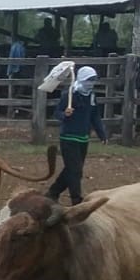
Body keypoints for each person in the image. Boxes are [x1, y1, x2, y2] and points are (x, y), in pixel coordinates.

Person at [47, 66, 106, 206]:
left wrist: (102, 133)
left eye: (93, 80)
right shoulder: (69, 94)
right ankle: (76, 199)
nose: (90, 83)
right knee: (75, 170)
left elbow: (95, 116)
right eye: (88, 80)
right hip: (68, 137)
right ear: (81, 79)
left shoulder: (91, 96)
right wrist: (65, 114)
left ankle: (53, 192)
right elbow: (57, 113)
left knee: (71, 168)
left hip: (83, 138)